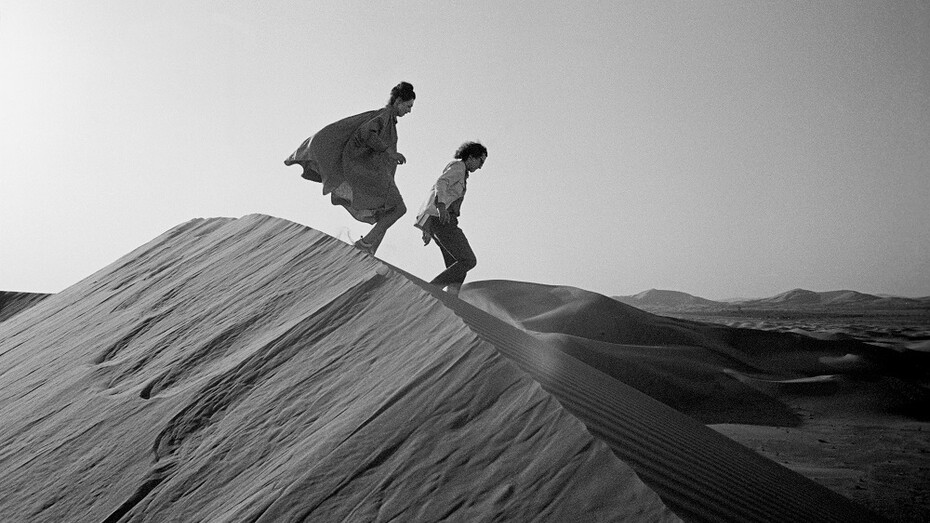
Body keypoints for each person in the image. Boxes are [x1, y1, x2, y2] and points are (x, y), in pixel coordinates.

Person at [285, 82, 415, 255]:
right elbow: (366, 134)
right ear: (398, 100)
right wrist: (390, 152)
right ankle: (365, 245)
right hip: (366, 174)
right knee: (398, 209)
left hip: (374, 175)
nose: (409, 110)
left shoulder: (388, 120)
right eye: (408, 106)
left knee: (388, 212)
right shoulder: (383, 116)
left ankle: (369, 251)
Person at [415, 142, 488, 297]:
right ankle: (431, 290)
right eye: (480, 161)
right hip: (444, 220)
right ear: (471, 157)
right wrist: (441, 206)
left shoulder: (461, 171)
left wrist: (428, 228)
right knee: (468, 261)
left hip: (440, 221)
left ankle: (450, 299)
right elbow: (441, 183)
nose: (480, 167)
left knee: (457, 266)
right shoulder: (459, 167)